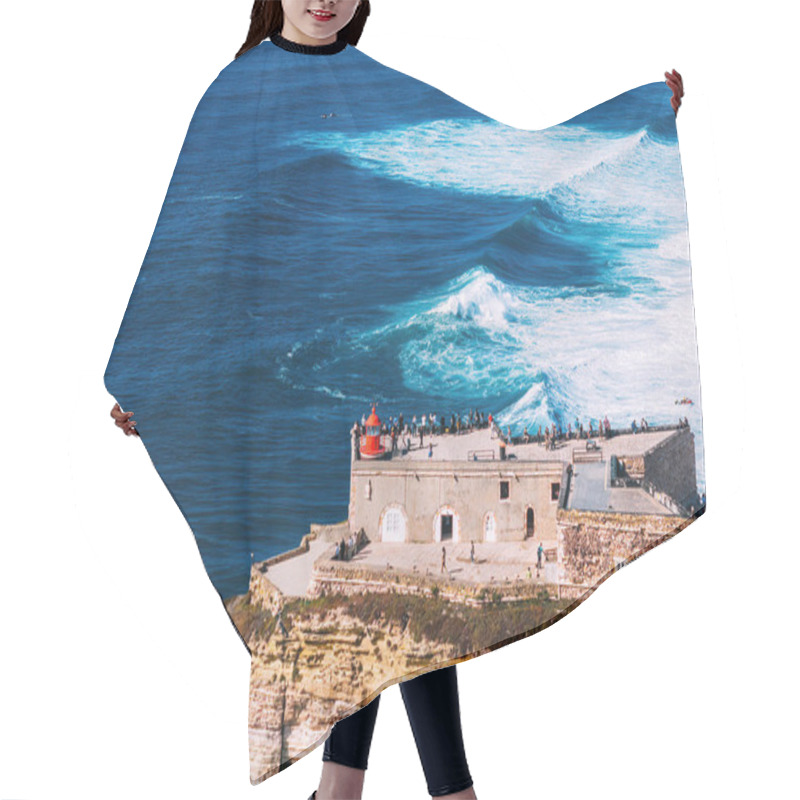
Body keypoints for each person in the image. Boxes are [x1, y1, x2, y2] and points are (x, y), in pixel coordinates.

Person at [109, 3, 685, 798]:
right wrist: (153, 377)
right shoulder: (234, 92)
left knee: (390, 583)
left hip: (372, 372)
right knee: (376, 585)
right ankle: (424, 791)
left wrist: (639, 117)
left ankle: (354, 789)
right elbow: (194, 245)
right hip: (286, 386)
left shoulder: (374, 84)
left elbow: (507, 167)